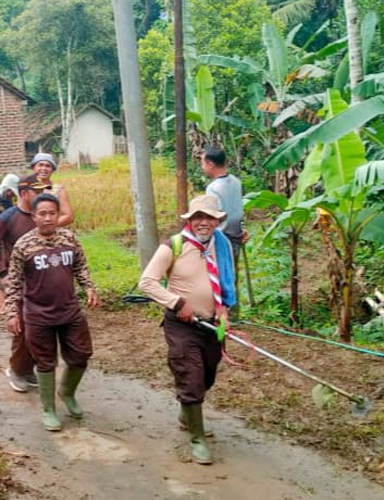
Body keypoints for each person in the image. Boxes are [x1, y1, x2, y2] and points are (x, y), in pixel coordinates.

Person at [138, 195, 237, 465]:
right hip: (182, 326)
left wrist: (224, 310)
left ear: (217, 220)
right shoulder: (175, 245)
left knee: (207, 374)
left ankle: (187, 412)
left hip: (211, 324)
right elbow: (147, 282)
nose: (203, 222)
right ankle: (197, 438)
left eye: (209, 217)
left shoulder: (222, 244)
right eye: (197, 217)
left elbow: (225, 280)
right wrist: (177, 303)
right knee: (191, 377)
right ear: (190, 220)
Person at [5, 193, 99, 431]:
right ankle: (48, 409)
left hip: (69, 311)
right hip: (38, 315)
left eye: (52, 213)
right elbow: (13, 283)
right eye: (42, 214)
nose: (48, 218)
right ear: (34, 217)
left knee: (81, 355)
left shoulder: (69, 239)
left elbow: (81, 266)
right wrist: (12, 313)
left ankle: (67, 392)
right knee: (45, 363)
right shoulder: (24, 245)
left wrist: (89, 287)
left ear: (58, 215)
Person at [0, 174, 50, 392]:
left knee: (40, 328)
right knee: (22, 328)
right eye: (36, 192)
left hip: (43, 280)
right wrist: (3, 273)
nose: (41, 196)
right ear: (23, 193)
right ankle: (18, 370)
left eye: (43, 191)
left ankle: (28, 369)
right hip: (20, 282)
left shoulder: (40, 216)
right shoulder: (8, 218)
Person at [201, 144, 248, 261]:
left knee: (221, 275)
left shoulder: (213, 188)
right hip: (237, 236)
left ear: (210, 165)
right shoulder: (236, 181)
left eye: (202, 163)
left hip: (221, 240)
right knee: (231, 273)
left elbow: (214, 217)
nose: (202, 167)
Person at [29, 153, 74, 226]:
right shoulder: (26, 188)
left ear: (52, 170)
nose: (44, 169)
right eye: (40, 165)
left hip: (51, 233)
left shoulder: (58, 190)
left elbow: (68, 216)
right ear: (33, 168)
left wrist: (47, 227)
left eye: (48, 166)